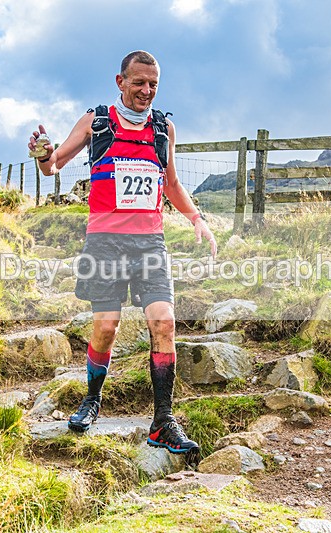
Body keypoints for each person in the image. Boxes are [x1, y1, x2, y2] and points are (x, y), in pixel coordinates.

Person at [28, 50, 217, 455]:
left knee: (164, 323)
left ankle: (163, 421)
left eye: (153, 85)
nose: (146, 91)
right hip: (105, 242)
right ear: (120, 82)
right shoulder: (97, 121)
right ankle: (92, 399)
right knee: (106, 328)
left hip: (150, 243)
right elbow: (54, 166)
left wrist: (196, 218)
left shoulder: (164, 127)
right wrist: (44, 154)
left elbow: (171, 184)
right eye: (138, 83)